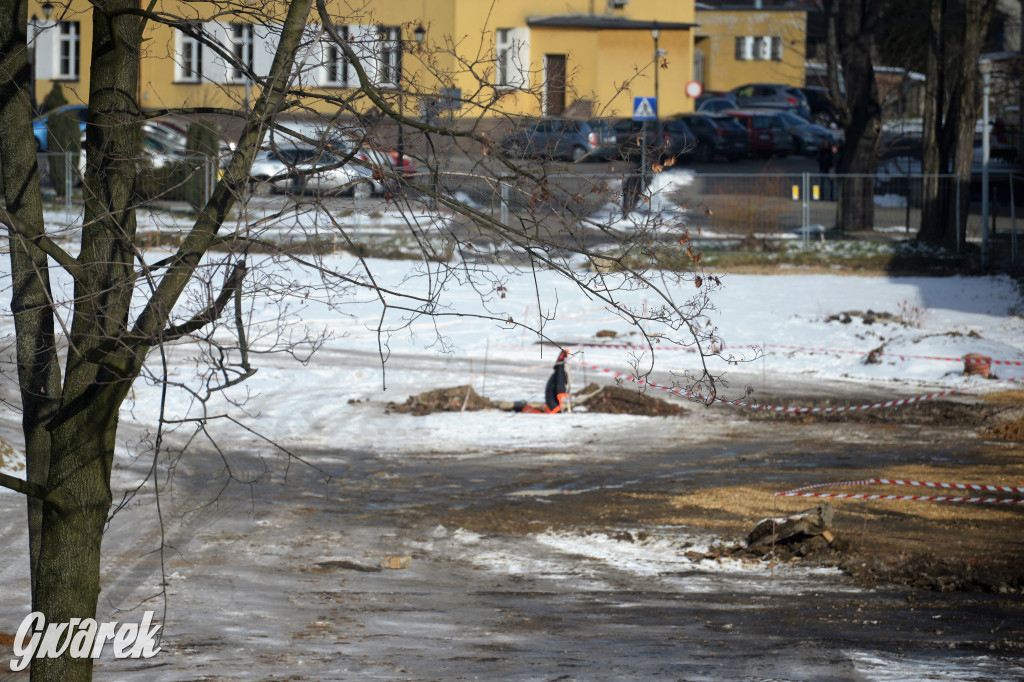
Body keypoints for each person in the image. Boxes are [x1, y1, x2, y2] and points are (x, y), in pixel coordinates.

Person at [514, 349, 570, 413]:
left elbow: (559, 368)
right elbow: (560, 383)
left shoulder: (557, 373)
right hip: (554, 405)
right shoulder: (558, 374)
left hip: (552, 403)